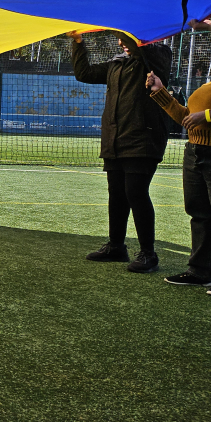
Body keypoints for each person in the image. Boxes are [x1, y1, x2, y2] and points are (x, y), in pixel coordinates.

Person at [70, 31, 172, 273]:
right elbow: (83, 73)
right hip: (115, 140)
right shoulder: (116, 65)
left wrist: (121, 26)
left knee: (135, 192)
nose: (120, 43)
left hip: (143, 139)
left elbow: (140, 49)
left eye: (125, 37)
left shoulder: (157, 57)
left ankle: (148, 253)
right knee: (116, 193)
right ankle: (116, 247)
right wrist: (77, 42)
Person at [147, 17, 211, 292]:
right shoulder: (210, 84)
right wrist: (160, 92)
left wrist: (208, 115)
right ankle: (200, 272)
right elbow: (187, 119)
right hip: (196, 151)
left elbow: (201, 117)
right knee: (199, 214)